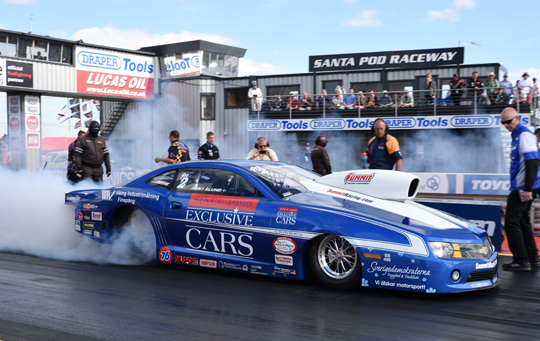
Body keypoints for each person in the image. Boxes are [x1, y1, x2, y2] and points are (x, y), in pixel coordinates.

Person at [500, 107, 540, 271]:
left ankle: (521, 260)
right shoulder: (517, 135)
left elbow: (532, 162)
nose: (506, 125)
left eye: (508, 122)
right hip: (523, 186)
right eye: (503, 123)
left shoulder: (524, 134)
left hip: (524, 187)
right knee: (523, 221)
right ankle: (532, 256)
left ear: (517, 118)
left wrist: (528, 188)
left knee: (511, 223)